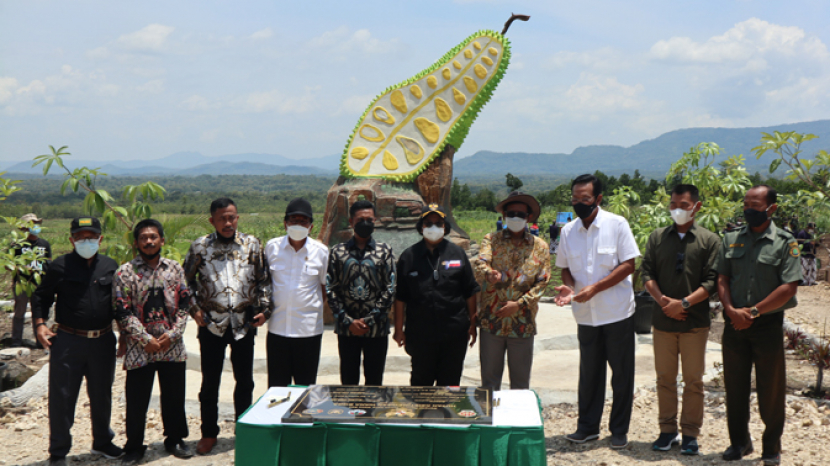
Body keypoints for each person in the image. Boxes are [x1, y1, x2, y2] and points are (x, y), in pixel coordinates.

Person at [553, 174, 639, 450]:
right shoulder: (568, 231)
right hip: (585, 315)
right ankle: (587, 427)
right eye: (575, 199)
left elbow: (628, 265)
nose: (579, 203)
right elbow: (565, 268)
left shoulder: (617, 224)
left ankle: (619, 430)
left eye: (585, 199)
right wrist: (569, 287)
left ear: (598, 199)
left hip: (616, 313)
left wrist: (596, 288)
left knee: (621, 375)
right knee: (589, 374)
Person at [715, 185, 800, 465]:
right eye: (746, 204)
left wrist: (752, 312)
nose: (748, 210)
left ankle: (771, 446)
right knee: (735, 386)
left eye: (755, 205)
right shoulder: (731, 239)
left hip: (767, 325)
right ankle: (739, 442)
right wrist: (731, 310)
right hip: (734, 325)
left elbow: (788, 287)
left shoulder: (785, 242)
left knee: (771, 389)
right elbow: (722, 278)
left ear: (771, 208)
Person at [31, 217, 123, 466]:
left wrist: (124, 334)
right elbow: (41, 297)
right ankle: (58, 451)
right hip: (68, 341)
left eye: (91, 236)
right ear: (72, 240)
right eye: (80, 237)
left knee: (102, 394)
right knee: (62, 397)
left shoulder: (110, 266)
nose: (86, 241)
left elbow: (119, 303)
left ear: (100, 239)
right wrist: (39, 325)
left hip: (103, 340)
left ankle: (102, 441)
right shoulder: (59, 266)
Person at [183, 198, 271, 455]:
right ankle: (209, 433)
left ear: (237, 217)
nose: (228, 222)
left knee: (245, 381)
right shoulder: (200, 247)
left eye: (231, 217)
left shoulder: (252, 245)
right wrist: (194, 310)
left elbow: (264, 280)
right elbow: (185, 282)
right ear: (212, 220)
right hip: (211, 324)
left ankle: (243, 429)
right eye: (222, 218)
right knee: (210, 382)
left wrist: (265, 309)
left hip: (244, 323)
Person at [640, 184, 720, 455]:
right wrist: (664, 302)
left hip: (694, 323)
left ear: (696, 207)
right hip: (663, 322)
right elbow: (647, 273)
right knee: (664, 379)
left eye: (683, 205)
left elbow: (712, 281)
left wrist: (683, 304)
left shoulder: (709, 240)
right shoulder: (657, 237)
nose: (677, 209)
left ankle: (690, 433)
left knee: (693, 381)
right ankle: (666, 431)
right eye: (673, 204)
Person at [115, 219, 194, 464]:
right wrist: (144, 339)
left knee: (174, 396)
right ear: (136, 243)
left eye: (153, 237)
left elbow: (185, 304)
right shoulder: (125, 272)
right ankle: (134, 447)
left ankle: (175, 439)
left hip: (172, 345)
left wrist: (173, 334)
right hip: (140, 348)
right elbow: (122, 311)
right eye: (143, 238)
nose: (149, 241)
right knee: (136, 399)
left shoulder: (175, 269)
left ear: (162, 240)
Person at [394, 204, 480, 386]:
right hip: (420, 334)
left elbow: (470, 290)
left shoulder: (457, 253)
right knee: (420, 385)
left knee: (450, 386)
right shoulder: (409, 256)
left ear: (445, 227)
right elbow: (400, 297)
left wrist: (473, 324)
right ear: (421, 227)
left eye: (438, 223)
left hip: (454, 333)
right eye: (428, 223)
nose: (433, 227)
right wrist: (399, 329)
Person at [474, 191, 550, 390]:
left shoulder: (540, 247)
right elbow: (481, 263)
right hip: (492, 320)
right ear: (504, 216)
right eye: (511, 214)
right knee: (489, 384)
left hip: (522, 322)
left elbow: (542, 282)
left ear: (529, 217)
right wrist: (489, 274)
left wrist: (519, 304)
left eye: (521, 214)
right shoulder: (491, 239)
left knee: (520, 384)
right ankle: (491, 411)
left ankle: (517, 412)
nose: (516, 218)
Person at [326, 200, 396, 385]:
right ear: (351, 222)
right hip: (347, 329)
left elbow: (390, 288)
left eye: (369, 219)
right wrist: (348, 321)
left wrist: (369, 320)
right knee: (348, 381)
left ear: (375, 221)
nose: (365, 223)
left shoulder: (384, 251)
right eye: (360, 220)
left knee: (375, 381)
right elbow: (331, 288)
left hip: (376, 329)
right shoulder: (338, 252)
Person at [265, 197, 329, 386]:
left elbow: (324, 287)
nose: (298, 225)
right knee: (277, 388)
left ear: (311, 226)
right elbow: (265, 283)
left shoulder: (321, 252)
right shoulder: (272, 248)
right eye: (294, 220)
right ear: (285, 223)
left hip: (308, 332)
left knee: (305, 387)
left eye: (303, 221)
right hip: (278, 329)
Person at [10, 213, 52, 347]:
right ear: (24, 228)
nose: (35, 226)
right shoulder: (17, 245)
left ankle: (40, 342)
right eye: (31, 224)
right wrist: (21, 268)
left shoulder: (44, 244)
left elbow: (49, 263)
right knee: (19, 312)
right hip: (21, 284)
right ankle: (16, 342)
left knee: (38, 312)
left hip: (38, 284)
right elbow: (9, 265)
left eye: (36, 223)